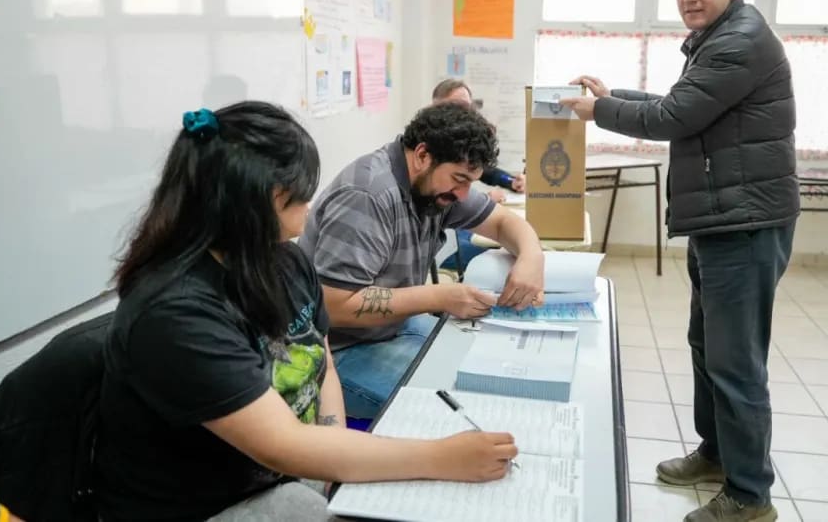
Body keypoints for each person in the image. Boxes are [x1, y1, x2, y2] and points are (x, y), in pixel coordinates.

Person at [94, 102, 518, 521]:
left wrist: (333, 444)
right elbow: (283, 444)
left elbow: (322, 361)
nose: (312, 210)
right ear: (263, 199)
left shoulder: (285, 262)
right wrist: (441, 459)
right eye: (302, 197)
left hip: (282, 468)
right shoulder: (177, 313)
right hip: (213, 499)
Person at [561, 0, 797, 522]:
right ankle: (718, 454)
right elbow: (681, 103)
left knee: (736, 360)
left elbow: (672, 118)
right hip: (722, 219)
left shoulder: (739, 42)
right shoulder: (718, 40)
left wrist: (599, 112)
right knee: (707, 348)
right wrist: (616, 98)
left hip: (743, 222)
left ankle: (750, 496)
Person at [300, 102, 545, 420]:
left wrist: (531, 254)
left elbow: (501, 222)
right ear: (422, 155)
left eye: (471, 182)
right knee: (468, 406)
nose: (463, 194)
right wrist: (440, 296)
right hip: (337, 351)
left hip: (389, 328)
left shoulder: (436, 185)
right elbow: (334, 305)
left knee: (487, 370)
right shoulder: (368, 196)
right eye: (459, 179)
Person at [431, 78, 526, 272]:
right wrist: (486, 198)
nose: (465, 115)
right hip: (447, 243)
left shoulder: (460, 143)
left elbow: (485, 171)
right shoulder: (432, 152)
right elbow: (437, 203)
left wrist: (511, 181)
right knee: (504, 258)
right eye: (456, 108)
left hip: (462, 231)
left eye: (468, 108)